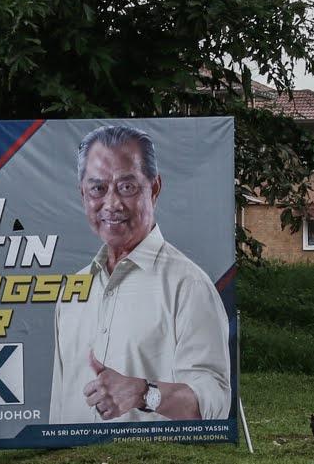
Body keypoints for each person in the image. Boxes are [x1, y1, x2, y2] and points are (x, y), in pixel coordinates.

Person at [49, 124, 231, 425]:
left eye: (127, 186)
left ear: (154, 188)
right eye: (98, 188)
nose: (112, 204)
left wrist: (144, 394)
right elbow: (60, 407)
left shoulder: (188, 286)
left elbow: (215, 402)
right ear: (82, 193)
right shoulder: (72, 290)